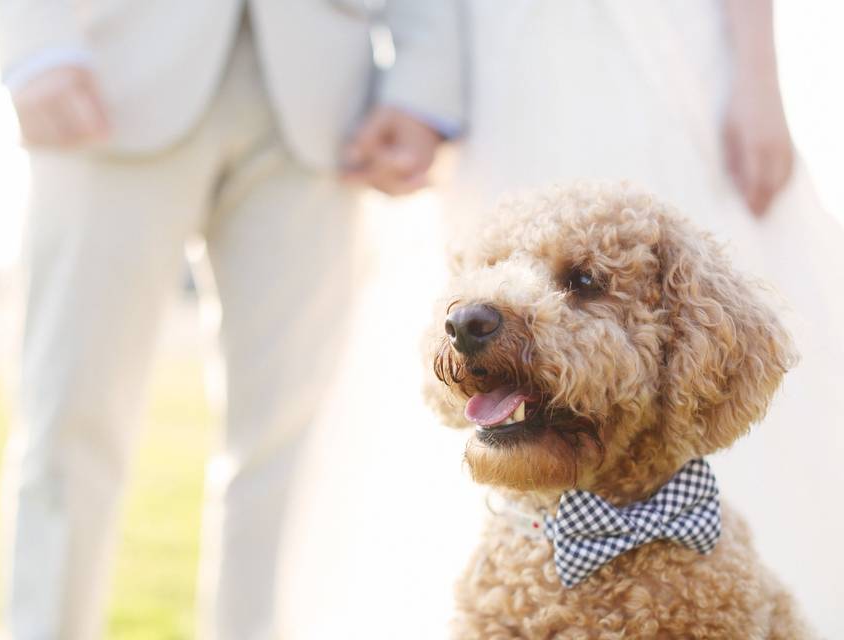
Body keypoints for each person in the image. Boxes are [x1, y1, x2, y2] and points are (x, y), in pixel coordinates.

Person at [277, 0, 844, 637]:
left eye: (582, 283)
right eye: (488, 275)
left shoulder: (714, 594)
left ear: (684, 341)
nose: (475, 315)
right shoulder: (495, 586)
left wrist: (758, 78)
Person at [0, 1, 463, 638]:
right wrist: (36, 46)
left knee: (289, 440)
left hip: (321, 104)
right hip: (107, 75)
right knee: (71, 412)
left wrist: (419, 88)